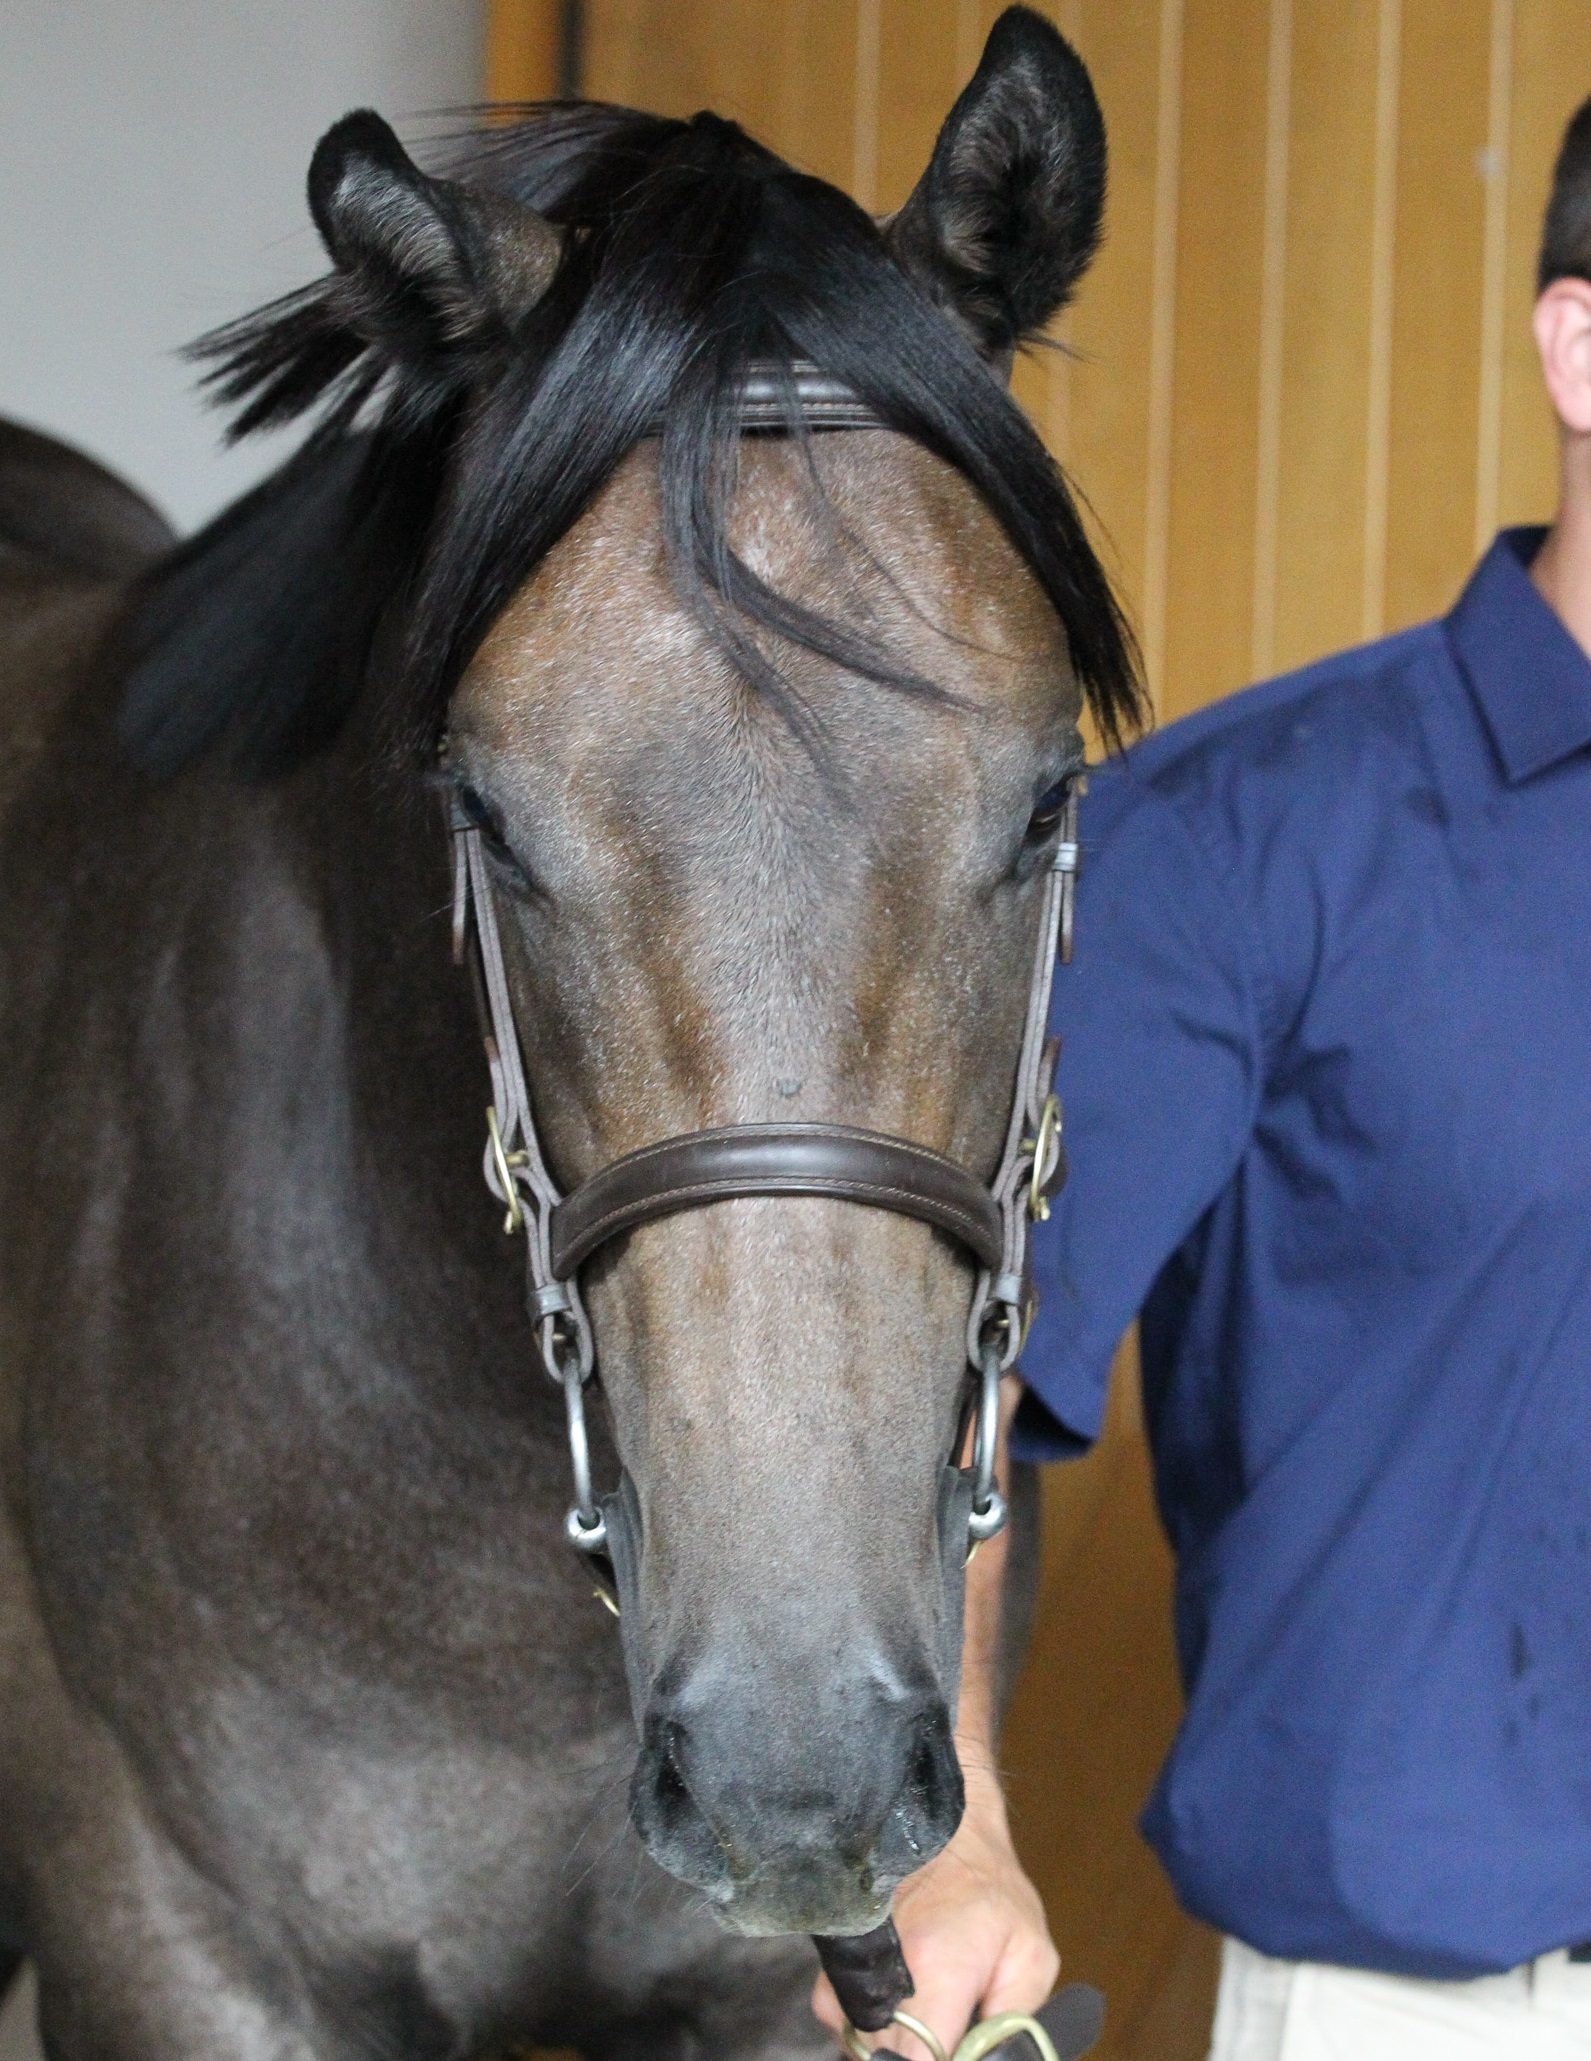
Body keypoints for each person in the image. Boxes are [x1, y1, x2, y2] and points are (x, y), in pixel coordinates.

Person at [814, 93, 1591, 2061]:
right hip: (1426, 2014)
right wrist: (955, 1818)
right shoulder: (1238, 839)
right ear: (1577, 344)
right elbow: (955, 1365)